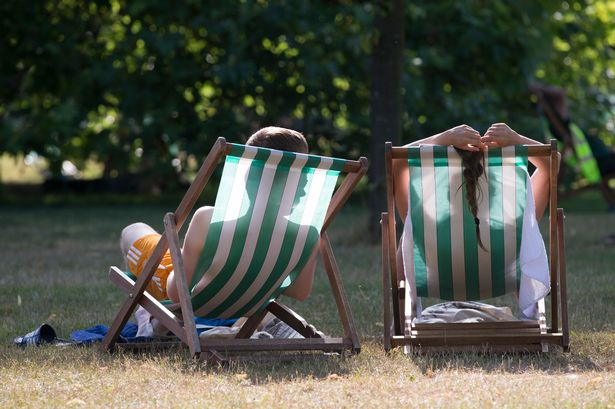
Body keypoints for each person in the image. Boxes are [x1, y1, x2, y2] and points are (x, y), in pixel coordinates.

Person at [120, 126, 317, 305]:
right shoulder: (307, 233)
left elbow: (177, 293)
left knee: (133, 230)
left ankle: (150, 314)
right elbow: (299, 291)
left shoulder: (209, 220)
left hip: (194, 300)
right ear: (304, 182)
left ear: (247, 179)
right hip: (246, 303)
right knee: (191, 255)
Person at [393, 123, 559, 320]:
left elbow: (396, 162)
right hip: (498, 280)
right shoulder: (515, 227)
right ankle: (531, 317)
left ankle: (405, 317)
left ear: (444, 195)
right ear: (498, 195)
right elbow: (553, 164)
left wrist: (441, 137)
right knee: (527, 237)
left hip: (440, 279)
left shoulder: (427, 228)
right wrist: (517, 140)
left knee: (408, 234)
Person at [529, 83, 615, 209]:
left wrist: (539, 90)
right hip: (601, 160)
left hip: (600, 158)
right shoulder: (557, 117)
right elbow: (560, 93)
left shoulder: (553, 121)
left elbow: (559, 93)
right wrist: (541, 89)